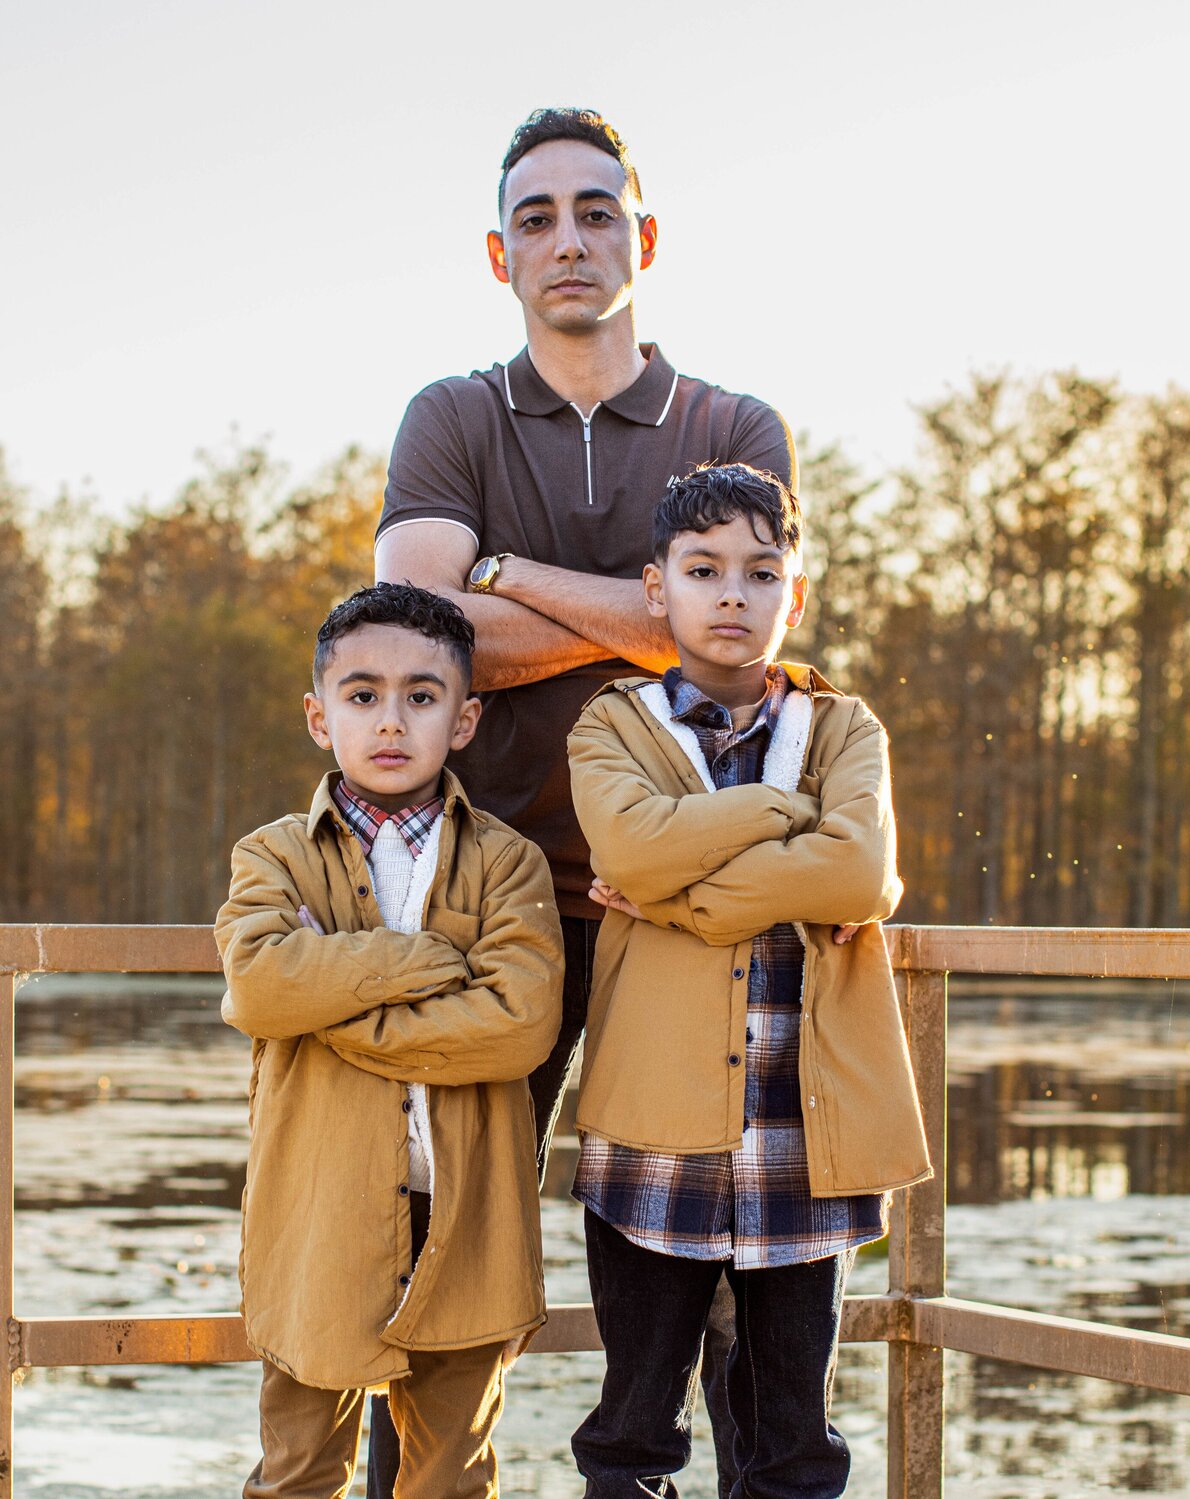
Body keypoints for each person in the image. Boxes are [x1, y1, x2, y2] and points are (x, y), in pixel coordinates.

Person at [372, 104, 794, 1497]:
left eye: (596, 210)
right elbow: (417, 647)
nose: (569, 238)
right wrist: (643, 610)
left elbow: (729, 636)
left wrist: (503, 572)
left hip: (693, 905)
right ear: (501, 253)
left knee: (718, 1258)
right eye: (539, 217)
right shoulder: (453, 415)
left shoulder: (735, 423)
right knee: (445, 1240)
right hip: (492, 903)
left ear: (645, 236)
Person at [566, 464, 932, 1498]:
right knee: (633, 1434)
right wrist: (785, 819)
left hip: (806, 1140)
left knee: (793, 1440)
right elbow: (630, 852)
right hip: (653, 1142)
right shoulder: (612, 723)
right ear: (658, 588)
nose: (733, 593)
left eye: (761, 572)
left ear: (795, 595)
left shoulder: (845, 729)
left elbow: (861, 874)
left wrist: (686, 897)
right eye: (704, 568)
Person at [215, 582, 563, 1499]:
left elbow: (520, 1024)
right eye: (362, 694)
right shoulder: (274, 855)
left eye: (422, 695)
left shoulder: (507, 862)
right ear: (319, 717)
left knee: (451, 1477)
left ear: (464, 719)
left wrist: (327, 996)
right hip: (318, 1212)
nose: (390, 719)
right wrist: (429, 960)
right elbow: (258, 984)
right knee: (298, 1473)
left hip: (464, 1217)